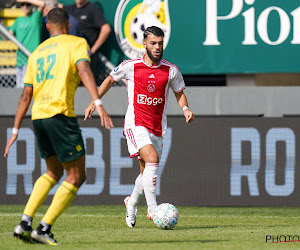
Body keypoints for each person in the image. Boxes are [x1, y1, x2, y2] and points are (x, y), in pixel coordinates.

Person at [4, 8, 113, 245]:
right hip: (60, 114)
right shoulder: (76, 42)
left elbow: (25, 96)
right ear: (68, 24)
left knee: (53, 171)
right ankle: (43, 228)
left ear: (47, 27)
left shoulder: (36, 53)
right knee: (76, 176)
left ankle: (25, 222)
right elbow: (84, 69)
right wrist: (98, 102)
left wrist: (14, 131)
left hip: (38, 118)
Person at [84, 26, 194, 228]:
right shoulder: (130, 66)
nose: (158, 47)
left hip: (157, 127)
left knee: (146, 172)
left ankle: (131, 202)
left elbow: (179, 92)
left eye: (160, 43)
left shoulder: (171, 70)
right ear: (144, 44)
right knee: (152, 159)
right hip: (135, 123)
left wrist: (185, 108)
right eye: (153, 43)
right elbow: (109, 80)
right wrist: (94, 101)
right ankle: (153, 210)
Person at [63, 0, 111, 85]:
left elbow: (106, 29)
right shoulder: (69, 10)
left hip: (87, 59)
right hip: (71, 58)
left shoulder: (92, 9)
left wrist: (92, 50)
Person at [9, 0, 45, 88]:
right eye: (22, 5)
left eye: (28, 5)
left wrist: (24, 0)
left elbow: (42, 4)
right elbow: (9, 33)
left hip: (32, 58)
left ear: (32, 6)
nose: (25, 7)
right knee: (19, 88)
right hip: (20, 60)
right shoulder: (18, 20)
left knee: (28, 87)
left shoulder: (35, 16)